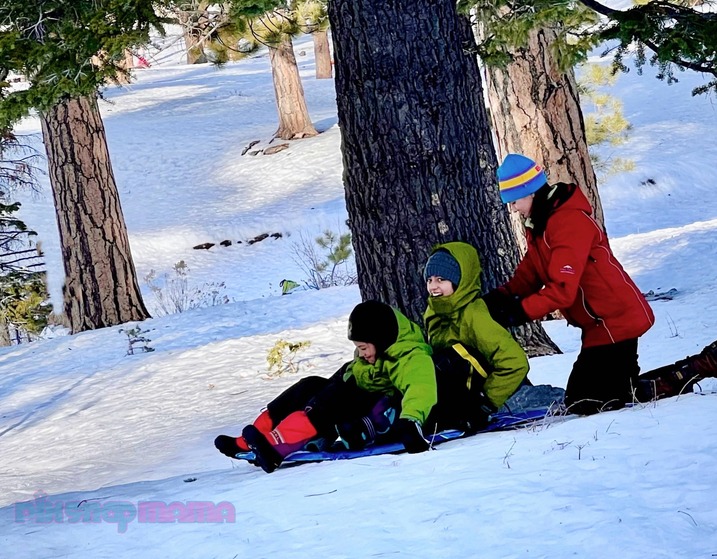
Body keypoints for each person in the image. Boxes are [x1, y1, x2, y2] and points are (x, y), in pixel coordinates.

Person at [483, 153, 655, 415]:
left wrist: (518, 313)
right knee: (597, 395)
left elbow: (562, 290)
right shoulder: (541, 223)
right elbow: (530, 273)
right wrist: (499, 297)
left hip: (616, 320)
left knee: (589, 402)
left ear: (530, 192)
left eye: (514, 201)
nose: (513, 208)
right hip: (598, 325)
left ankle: (694, 369)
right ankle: (652, 380)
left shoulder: (567, 221)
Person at [214, 300, 438, 473]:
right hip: (356, 401)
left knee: (330, 401)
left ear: (380, 339)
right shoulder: (370, 356)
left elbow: (421, 390)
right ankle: (253, 439)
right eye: (358, 348)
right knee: (308, 386)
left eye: (363, 348)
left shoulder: (411, 357)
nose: (361, 354)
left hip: (375, 412)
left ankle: (275, 447)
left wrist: (411, 423)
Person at [422, 242, 536, 433]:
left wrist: (485, 402)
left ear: (459, 281)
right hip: (456, 388)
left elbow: (515, 363)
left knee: (450, 359)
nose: (433, 286)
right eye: (429, 280)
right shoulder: (434, 312)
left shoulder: (474, 315)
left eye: (441, 279)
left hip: (484, 393)